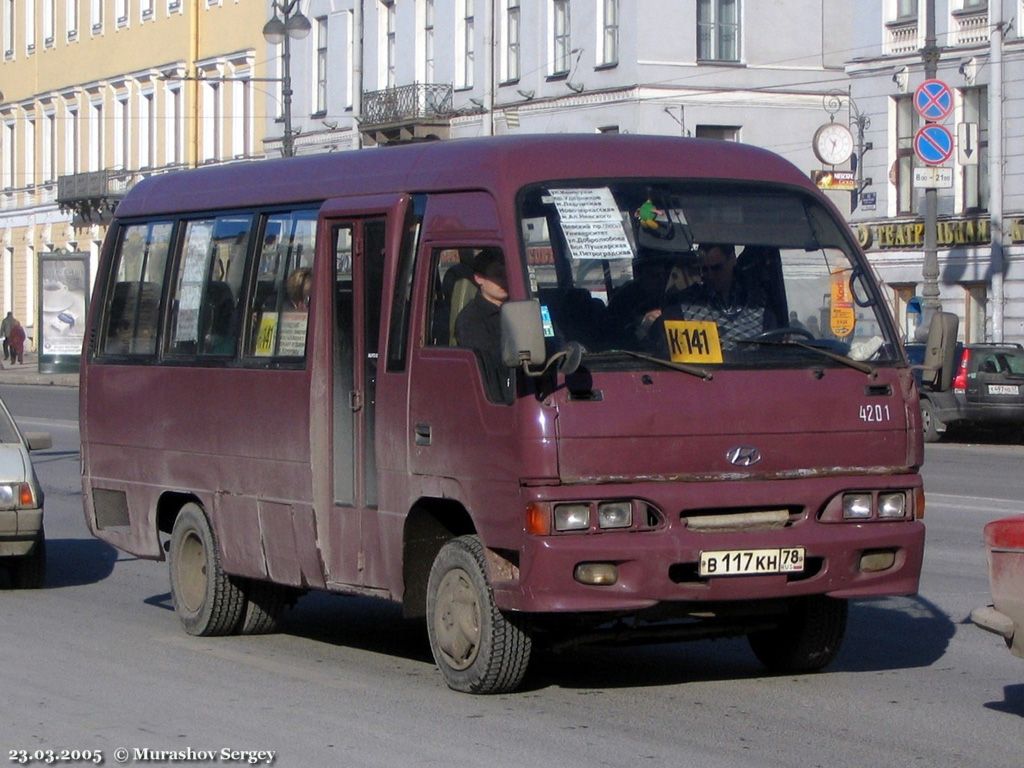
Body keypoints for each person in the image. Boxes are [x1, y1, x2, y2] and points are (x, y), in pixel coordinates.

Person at [656, 244, 769, 352]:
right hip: (700, 371)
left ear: (732, 259)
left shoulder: (759, 304)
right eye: (705, 269)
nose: (710, 275)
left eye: (716, 268)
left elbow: (774, 350)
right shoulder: (684, 305)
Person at [454, 249, 511, 400]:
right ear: (479, 278)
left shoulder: (520, 308)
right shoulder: (470, 320)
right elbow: (490, 367)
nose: (505, 280)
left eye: (508, 274)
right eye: (498, 275)